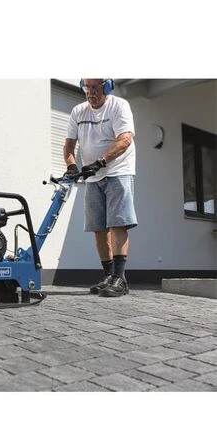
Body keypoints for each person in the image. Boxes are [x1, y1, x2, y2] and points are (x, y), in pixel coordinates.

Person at [63, 78, 137, 297]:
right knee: (98, 227)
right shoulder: (78, 111)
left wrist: (101, 162)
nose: (90, 92)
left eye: (95, 87)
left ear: (107, 87)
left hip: (118, 171)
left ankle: (120, 279)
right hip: (92, 177)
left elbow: (125, 140)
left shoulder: (119, 106)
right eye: (87, 87)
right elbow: (69, 144)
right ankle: (108, 275)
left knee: (117, 223)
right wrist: (71, 166)